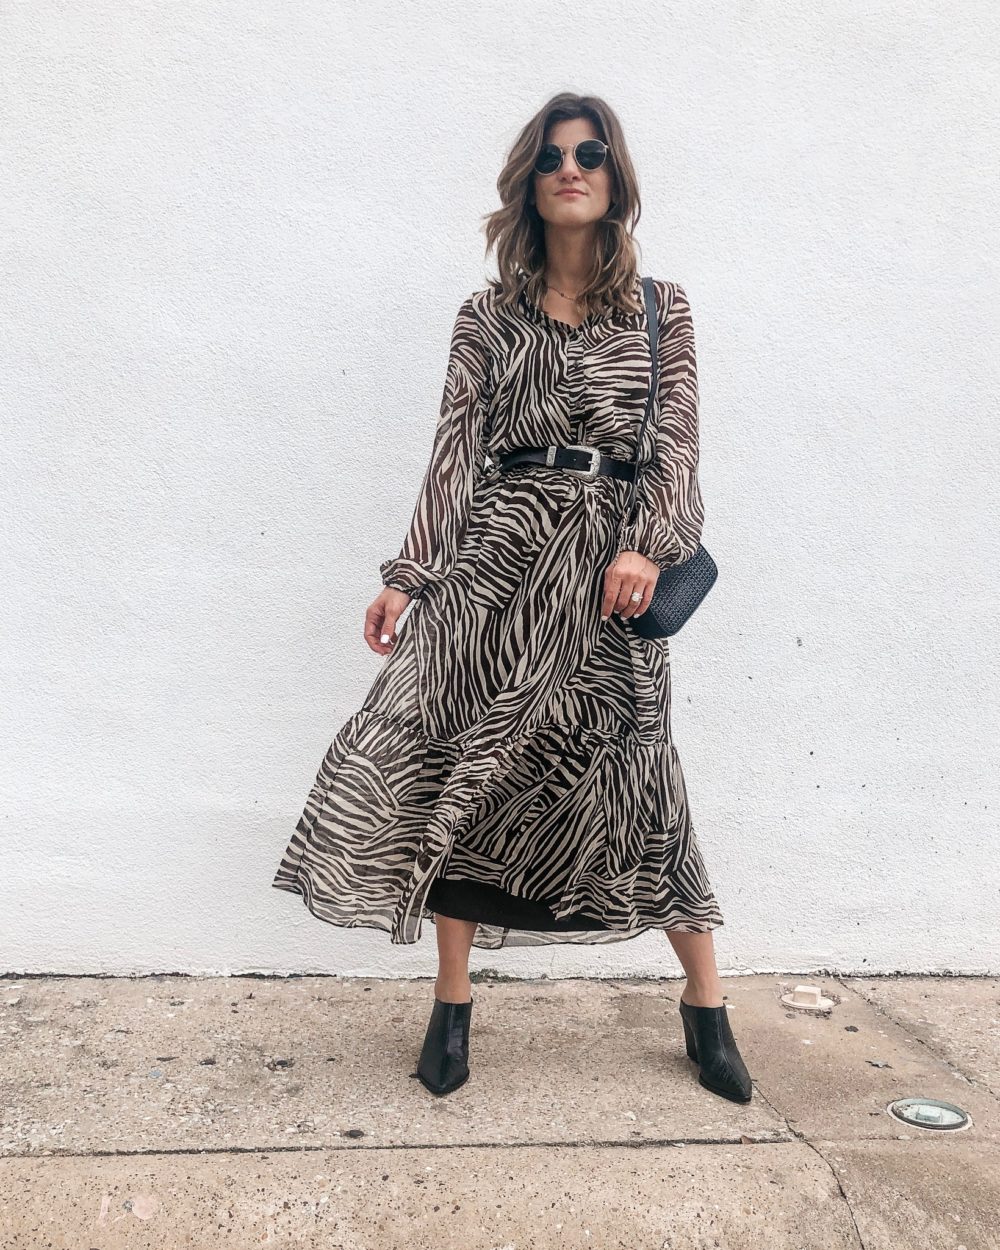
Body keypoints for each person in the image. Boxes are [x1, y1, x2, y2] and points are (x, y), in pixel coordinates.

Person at [272, 91, 752, 1104]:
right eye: (550, 157)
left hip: (606, 578)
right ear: (527, 183)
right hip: (494, 562)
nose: (570, 167)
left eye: (590, 153)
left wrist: (646, 546)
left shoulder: (663, 309)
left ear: (615, 177)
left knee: (641, 778)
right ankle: (452, 1003)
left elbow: (677, 447)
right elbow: (453, 452)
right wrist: (408, 574)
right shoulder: (485, 315)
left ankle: (705, 1004)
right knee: (462, 769)